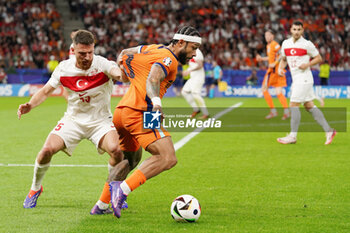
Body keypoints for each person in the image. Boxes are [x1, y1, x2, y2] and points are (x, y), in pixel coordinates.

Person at [18, 30, 127, 213]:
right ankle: (35, 189)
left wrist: (122, 73)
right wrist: (30, 105)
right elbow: (45, 91)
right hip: (73, 121)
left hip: (100, 121)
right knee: (45, 151)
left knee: (116, 151)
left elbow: (117, 74)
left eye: (90, 52)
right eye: (82, 53)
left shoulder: (103, 64)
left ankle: (113, 192)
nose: (87, 57)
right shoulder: (63, 68)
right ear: (73, 50)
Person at [103, 26, 201, 218]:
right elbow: (153, 78)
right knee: (168, 157)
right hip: (143, 111)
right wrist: (156, 103)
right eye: (193, 48)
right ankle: (122, 190)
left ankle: (100, 204)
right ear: (180, 42)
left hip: (122, 111)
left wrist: (124, 75)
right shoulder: (169, 59)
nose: (194, 53)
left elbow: (124, 53)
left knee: (130, 161)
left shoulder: (153, 48)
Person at [276, 21, 336, 145]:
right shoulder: (285, 44)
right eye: (294, 29)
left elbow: (319, 58)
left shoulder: (307, 44)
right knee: (309, 106)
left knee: (293, 105)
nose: (296, 32)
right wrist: (280, 68)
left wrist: (307, 64)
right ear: (290, 30)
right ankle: (329, 131)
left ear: (302, 31)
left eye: (299, 29)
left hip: (304, 78)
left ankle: (292, 136)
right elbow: (284, 59)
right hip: (296, 78)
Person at [256, 30, 290, 120]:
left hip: (274, 71)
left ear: (272, 36)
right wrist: (262, 59)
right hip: (278, 71)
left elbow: (282, 54)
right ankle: (286, 112)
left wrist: (275, 63)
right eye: (265, 35)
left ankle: (273, 111)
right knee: (278, 92)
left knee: (264, 88)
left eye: (268, 35)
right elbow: (272, 57)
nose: (266, 37)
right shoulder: (268, 46)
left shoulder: (275, 44)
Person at [181, 48, 209, 119]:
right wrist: (187, 70)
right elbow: (192, 65)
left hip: (198, 77)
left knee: (195, 94)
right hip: (192, 78)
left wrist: (189, 71)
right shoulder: (191, 52)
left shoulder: (198, 53)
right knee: (184, 92)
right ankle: (196, 109)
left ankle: (205, 113)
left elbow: (200, 65)